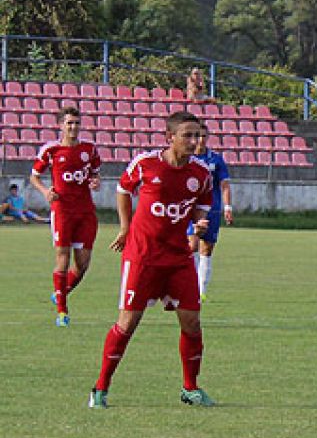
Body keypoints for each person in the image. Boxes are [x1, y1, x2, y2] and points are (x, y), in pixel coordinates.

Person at [89, 110, 215, 409]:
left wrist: (197, 225)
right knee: (128, 323)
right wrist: (125, 226)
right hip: (142, 257)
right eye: (188, 135)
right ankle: (100, 388)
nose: (195, 141)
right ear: (169, 137)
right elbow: (122, 189)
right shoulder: (146, 164)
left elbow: (203, 204)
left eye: (198, 135)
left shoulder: (200, 174)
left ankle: (190, 388)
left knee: (192, 322)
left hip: (178, 258)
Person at [30, 106, 102, 327]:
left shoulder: (89, 150)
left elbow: (95, 174)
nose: (73, 127)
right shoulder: (50, 151)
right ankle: (62, 312)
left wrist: (95, 182)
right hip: (62, 211)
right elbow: (34, 176)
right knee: (63, 259)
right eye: (69, 123)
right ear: (60, 125)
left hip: (86, 212)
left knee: (82, 265)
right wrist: (45, 192)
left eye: (76, 123)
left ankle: (61, 292)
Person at [187, 129, 233, 301]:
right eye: (196, 135)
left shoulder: (215, 159)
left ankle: (201, 291)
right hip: (191, 209)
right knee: (191, 246)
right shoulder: (188, 159)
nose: (200, 139)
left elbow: (225, 184)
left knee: (206, 248)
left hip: (212, 209)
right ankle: (189, 286)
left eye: (203, 136)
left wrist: (227, 207)